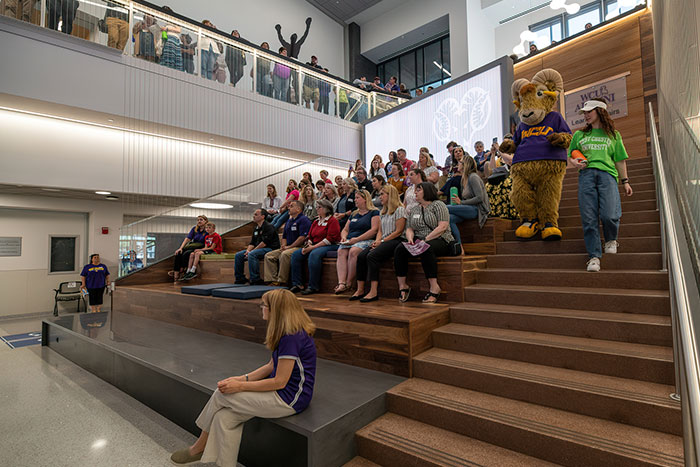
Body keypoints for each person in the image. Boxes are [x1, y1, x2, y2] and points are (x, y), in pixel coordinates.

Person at [170, 289, 316, 467]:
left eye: (264, 305)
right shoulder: (286, 333)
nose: (262, 308)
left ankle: (198, 447)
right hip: (281, 393)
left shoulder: (291, 338)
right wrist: (242, 379)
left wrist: (239, 387)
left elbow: (280, 381)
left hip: (289, 399)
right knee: (224, 418)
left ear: (275, 310)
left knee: (221, 394)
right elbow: (270, 366)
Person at [569, 99, 633, 272]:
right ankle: (594, 257)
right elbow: (571, 156)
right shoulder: (579, 135)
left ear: (600, 111)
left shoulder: (614, 135)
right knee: (589, 218)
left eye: (590, 111)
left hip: (607, 176)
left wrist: (625, 181)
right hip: (586, 176)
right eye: (584, 112)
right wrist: (575, 163)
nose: (586, 114)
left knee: (610, 215)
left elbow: (619, 160)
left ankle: (611, 239)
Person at [394, 183, 454, 304]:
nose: (415, 193)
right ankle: (403, 286)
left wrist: (426, 239)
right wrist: (410, 238)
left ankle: (434, 287)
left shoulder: (438, 205)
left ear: (426, 191)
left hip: (440, 239)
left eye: (418, 190)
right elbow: (410, 228)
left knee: (426, 248)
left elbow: (443, 226)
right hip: (420, 239)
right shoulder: (415, 209)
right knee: (400, 249)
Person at [351, 185, 406, 302]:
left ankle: (373, 291)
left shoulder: (400, 209)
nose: (379, 197)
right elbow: (380, 230)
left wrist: (382, 241)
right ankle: (360, 289)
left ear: (390, 195)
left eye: (382, 194)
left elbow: (399, 231)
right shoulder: (383, 211)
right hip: (384, 240)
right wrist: (377, 241)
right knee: (361, 256)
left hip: (396, 240)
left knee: (372, 256)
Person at [289, 199, 341, 295]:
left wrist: (312, 247)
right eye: (316, 207)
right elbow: (310, 235)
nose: (317, 209)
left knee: (314, 254)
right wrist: (309, 244)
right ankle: (297, 284)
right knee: (296, 254)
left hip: (330, 245)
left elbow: (330, 239)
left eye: (319, 207)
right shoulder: (316, 221)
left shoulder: (332, 220)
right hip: (316, 245)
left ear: (326, 209)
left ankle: (313, 286)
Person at [334, 190, 380, 295]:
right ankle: (341, 282)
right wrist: (344, 237)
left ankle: (349, 283)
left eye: (358, 198)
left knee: (353, 251)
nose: (355, 200)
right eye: (355, 198)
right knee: (341, 252)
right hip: (351, 240)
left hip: (365, 239)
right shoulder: (354, 214)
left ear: (365, 199)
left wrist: (357, 239)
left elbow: (374, 230)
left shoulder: (374, 212)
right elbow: (345, 229)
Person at [447, 157, 490, 248]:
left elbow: (480, 198)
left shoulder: (473, 177)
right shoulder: (463, 179)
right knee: (450, 218)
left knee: (445, 208)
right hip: (468, 208)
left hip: (477, 209)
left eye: (460, 162)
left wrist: (461, 202)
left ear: (465, 165)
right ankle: (459, 246)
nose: (458, 164)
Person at [264, 201, 311, 286]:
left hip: (300, 247)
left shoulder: (304, 220)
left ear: (298, 209)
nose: (289, 208)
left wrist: (289, 247)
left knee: (285, 254)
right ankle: (272, 280)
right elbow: (284, 236)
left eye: (292, 206)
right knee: (269, 256)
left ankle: (282, 281)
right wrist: (284, 245)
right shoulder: (289, 221)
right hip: (289, 246)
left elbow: (302, 238)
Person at [235, 209, 280, 285]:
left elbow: (264, 243)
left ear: (262, 216)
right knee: (239, 255)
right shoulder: (256, 228)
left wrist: (251, 252)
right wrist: (248, 251)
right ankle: (240, 278)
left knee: (252, 254)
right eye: (254, 214)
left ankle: (255, 279)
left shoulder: (269, 227)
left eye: (256, 215)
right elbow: (252, 242)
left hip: (271, 248)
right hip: (259, 248)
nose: (253, 216)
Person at [169, 215, 208, 281]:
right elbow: (187, 239)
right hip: (193, 245)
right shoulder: (194, 229)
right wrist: (180, 248)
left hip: (200, 247)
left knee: (187, 253)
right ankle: (176, 274)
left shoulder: (207, 230)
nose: (199, 221)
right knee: (178, 253)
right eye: (198, 220)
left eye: (201, 220)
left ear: (205, 221)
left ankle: (182, 269)